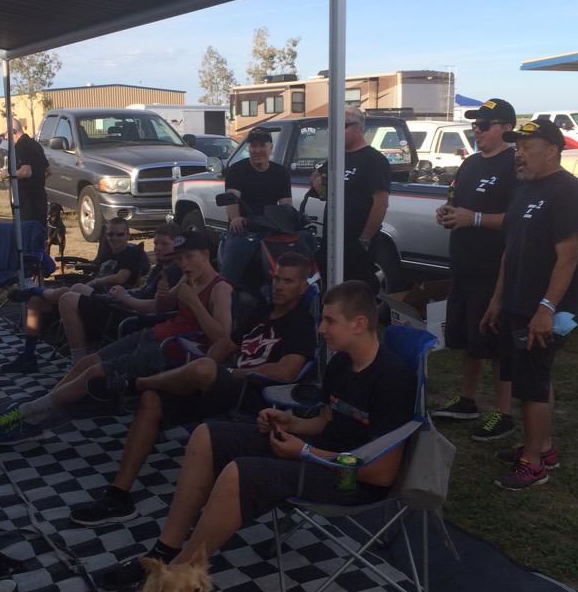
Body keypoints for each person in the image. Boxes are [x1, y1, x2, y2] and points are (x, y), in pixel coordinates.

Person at [100, 280, 415, 592]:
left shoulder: (393, 379)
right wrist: (291, 422)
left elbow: (380, 473)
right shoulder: (340, 363)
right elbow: (325, 422)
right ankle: (166, 549)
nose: (321, 328)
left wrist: (305, 452)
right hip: (321, 455)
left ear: (360, 324)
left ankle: (173, 580)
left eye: (329, 321)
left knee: (242, 474)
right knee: (209, 436)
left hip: (352, 480)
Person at [68, 252, 318, 526]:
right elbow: (227, 344)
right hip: (220, 385)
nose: (279, 286)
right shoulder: (262, 312)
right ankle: (118, 496)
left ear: (303, 286)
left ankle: (132, 383)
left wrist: (226, 371)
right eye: (277, 279)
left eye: (289, 281)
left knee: (203, 369)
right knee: (152, 400)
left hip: (253, 397)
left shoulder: (301, 324)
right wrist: (205, 364)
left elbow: (287, 371)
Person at [0, 230, 233, 444]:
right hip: (153, 333)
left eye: (190, 257)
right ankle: (37, 413)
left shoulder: (220, 288)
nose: (185, 263)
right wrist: (163, 293)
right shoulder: (188, 279)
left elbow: (222, 338)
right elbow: (161, 306)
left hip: (172, 350)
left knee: (95, 373)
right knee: (87, 362)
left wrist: (194, 304)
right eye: (180, 258)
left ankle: (29, 412)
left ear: (206, 254)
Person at [480, 119, 578, 490]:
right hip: (516, 303)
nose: (519, 153)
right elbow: (510, 250)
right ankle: (542, 447)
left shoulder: (567, 192)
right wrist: (497, 298)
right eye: (517, 146)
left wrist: (546, 308)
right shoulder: (525, 190)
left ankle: (533, 465)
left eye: (528, 146)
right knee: (531, 378)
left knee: (532, 383)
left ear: (553, 150)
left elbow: (569, 258)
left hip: (545, 310)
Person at [432, 98, 518, 441]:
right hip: (464, 263)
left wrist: (475, 218)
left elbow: (519, 220)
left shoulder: (515, 165)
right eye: (475, 125)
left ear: (506, 128)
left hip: (493, 267)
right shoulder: (469, 164)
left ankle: (504, 412)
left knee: (495, 340)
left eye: (485, 125)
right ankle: (467, 400)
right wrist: (447, 212)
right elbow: (457, 203)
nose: (477, 131)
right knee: (470, 336)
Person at [0, 216, 147, 373]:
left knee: (69, 290)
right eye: (110, 234)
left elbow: (121, 277)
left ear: (128, 234)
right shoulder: (108, 254)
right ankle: (28, 357)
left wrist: (94, 283)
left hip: (109, 305)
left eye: (119, 234)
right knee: (36, 302)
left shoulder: (132, 253)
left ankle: (31, 290)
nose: (114, 238)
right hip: (89, 298)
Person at [59, 222, 184, 358]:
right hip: (121, 305)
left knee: (67, 300)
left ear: (178, 247)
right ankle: (88, 345)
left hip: (131, 316)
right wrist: (128, 293)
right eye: (155, 243)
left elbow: (157, 306)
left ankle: (78, 359)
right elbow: (145, 291)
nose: (158, 248)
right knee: (77, 288)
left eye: (164, 244)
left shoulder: (175, 273)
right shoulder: (161, 267)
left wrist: (126, 297)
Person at [311, 107, 390, 296]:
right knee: (330, 291)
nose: (336, 132)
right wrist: (320, 185)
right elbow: (316, 177)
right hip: (332, 238)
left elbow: (380, 203)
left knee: (355, 294)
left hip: (357, 241)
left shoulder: (375, 160)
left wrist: (364, 239)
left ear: (358, 128)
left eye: (342, 126)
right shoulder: (338, 157)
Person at [219, 128, 293, 282]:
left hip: (272, 228)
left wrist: (293, 220)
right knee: (230, 272)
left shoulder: (281, 172)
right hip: (245, 229)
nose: (257, 150)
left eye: (262, 146)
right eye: (253, 146)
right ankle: (226, 296)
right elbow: (232, 197)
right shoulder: (236, 170)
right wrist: (236, 218)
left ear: (270, 148)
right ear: (249, 148)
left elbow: (286, 203)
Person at [0, 118, 49, 229]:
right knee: (40, 235)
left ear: (13, 131)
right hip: (41, 199)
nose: (5, 138)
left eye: (5, 135)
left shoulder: (20, 146)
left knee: (26, 236)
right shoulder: (35, 144)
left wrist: (7, 174)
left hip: (27, 203)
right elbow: (48, 171)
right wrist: (38, 182)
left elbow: (26, 171)